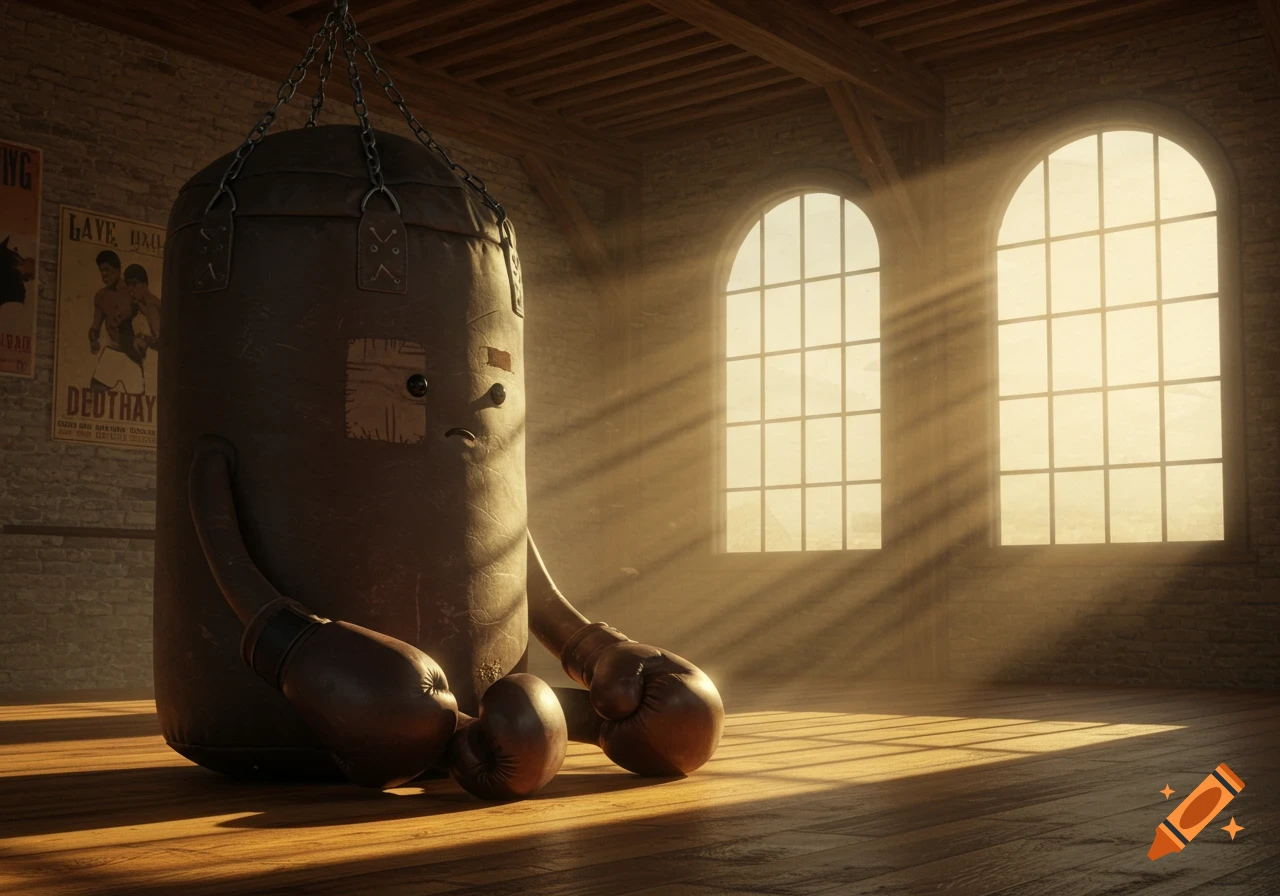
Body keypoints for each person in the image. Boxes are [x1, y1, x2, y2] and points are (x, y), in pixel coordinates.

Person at [87, 251, 144, 394]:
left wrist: (142, 338)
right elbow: (95, 326)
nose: (104, 274)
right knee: (96, 392)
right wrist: (93, 339)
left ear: (118, 271)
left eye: (108, 270)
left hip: (132, 354)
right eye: (101, 270)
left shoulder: (132, 290)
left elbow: (146, 317)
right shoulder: (101, 296)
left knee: (138, 402)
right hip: (114, 351)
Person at [123, 263, 161, 395]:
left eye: (134, 284)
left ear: (145, 284)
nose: (130, 289)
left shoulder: (151, 305)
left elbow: (163, 341)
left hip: (156, 366)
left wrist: (144, 339)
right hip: (149, 365)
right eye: (128, 285)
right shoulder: (141, 305)